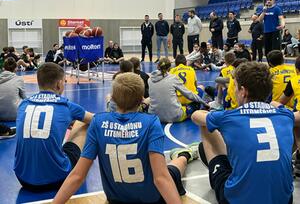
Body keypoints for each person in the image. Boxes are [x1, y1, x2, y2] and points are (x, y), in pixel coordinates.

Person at [53, 72, 199, 204]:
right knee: (173, 168)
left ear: (113, 98)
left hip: (116, 199)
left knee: (167, 170)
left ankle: (183, 155)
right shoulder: (151, 123)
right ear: (142, 99)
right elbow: (161, 178)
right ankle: (184, 154)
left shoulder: (98, 122)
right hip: (152, 199)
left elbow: (77, 175)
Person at [192, 62, 294, 204]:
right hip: (284, 199)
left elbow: (195, 116)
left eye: (235, 87)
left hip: (237, 199)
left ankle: (219, 166)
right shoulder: (286, 116)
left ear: (243, 91)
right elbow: (277, 105)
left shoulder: (228, 117)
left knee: (205, 125)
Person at [14, 62, 94, 191]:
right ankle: (80, 172)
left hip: (23, 178)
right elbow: (96, 120)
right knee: (82, 123)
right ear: (59, 84)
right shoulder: (66, 105)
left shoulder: (23, 105)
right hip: (57, 179)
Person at [148, 58, 206, 123]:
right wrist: (204, 103)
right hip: (175, 116)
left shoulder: (150, 79)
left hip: (154, 116)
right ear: (169, 68)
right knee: (195, 103)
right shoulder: (173, 78)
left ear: (157, 66)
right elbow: (189, 94)